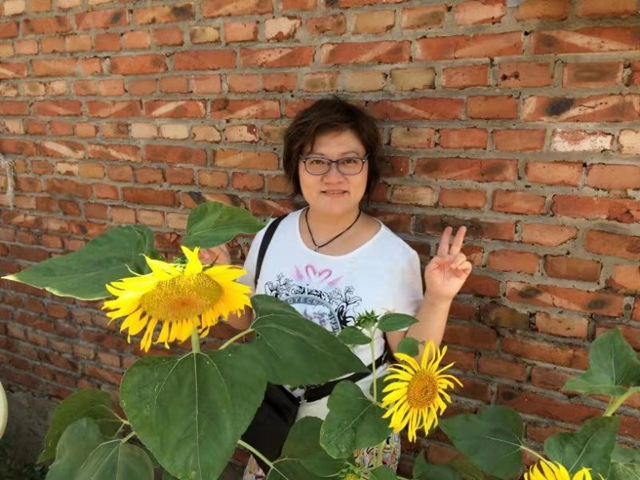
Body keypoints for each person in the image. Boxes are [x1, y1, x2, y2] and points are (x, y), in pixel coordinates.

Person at [201, 97, 472, 479]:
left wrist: (440, 298)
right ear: (297, 167)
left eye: (349, 161)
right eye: (316, 161)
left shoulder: (393, 256)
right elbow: (245, 322)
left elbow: (413, 362)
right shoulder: (271, 236)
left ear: (368, 168)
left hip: (355, 435)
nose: (333, 176)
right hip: (276, 427)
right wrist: (219, 280)